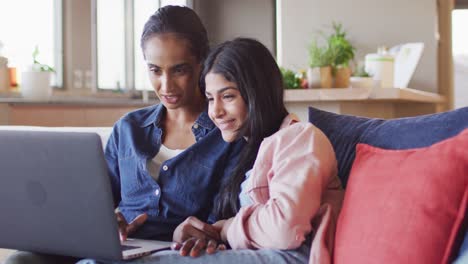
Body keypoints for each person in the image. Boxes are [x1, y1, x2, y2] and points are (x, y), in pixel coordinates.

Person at [5, 6, 243, 264]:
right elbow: (95, 201)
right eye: (155, 70)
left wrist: (205, 232)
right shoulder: (128, 129)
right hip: (121, 247)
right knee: (21, 260)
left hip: (175, 252)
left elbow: (227, 217)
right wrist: (107, 223)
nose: (166, 86)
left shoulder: (227, 134)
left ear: (201, 63)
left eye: (179, 70)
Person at [77, 38, 343, 264]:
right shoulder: (250, 149)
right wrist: (199, 233)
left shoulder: (300, 138)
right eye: (210, 98)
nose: (214, 112)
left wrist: (225, 230)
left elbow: (285, 228)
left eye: (227, 97)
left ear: (258, 93)